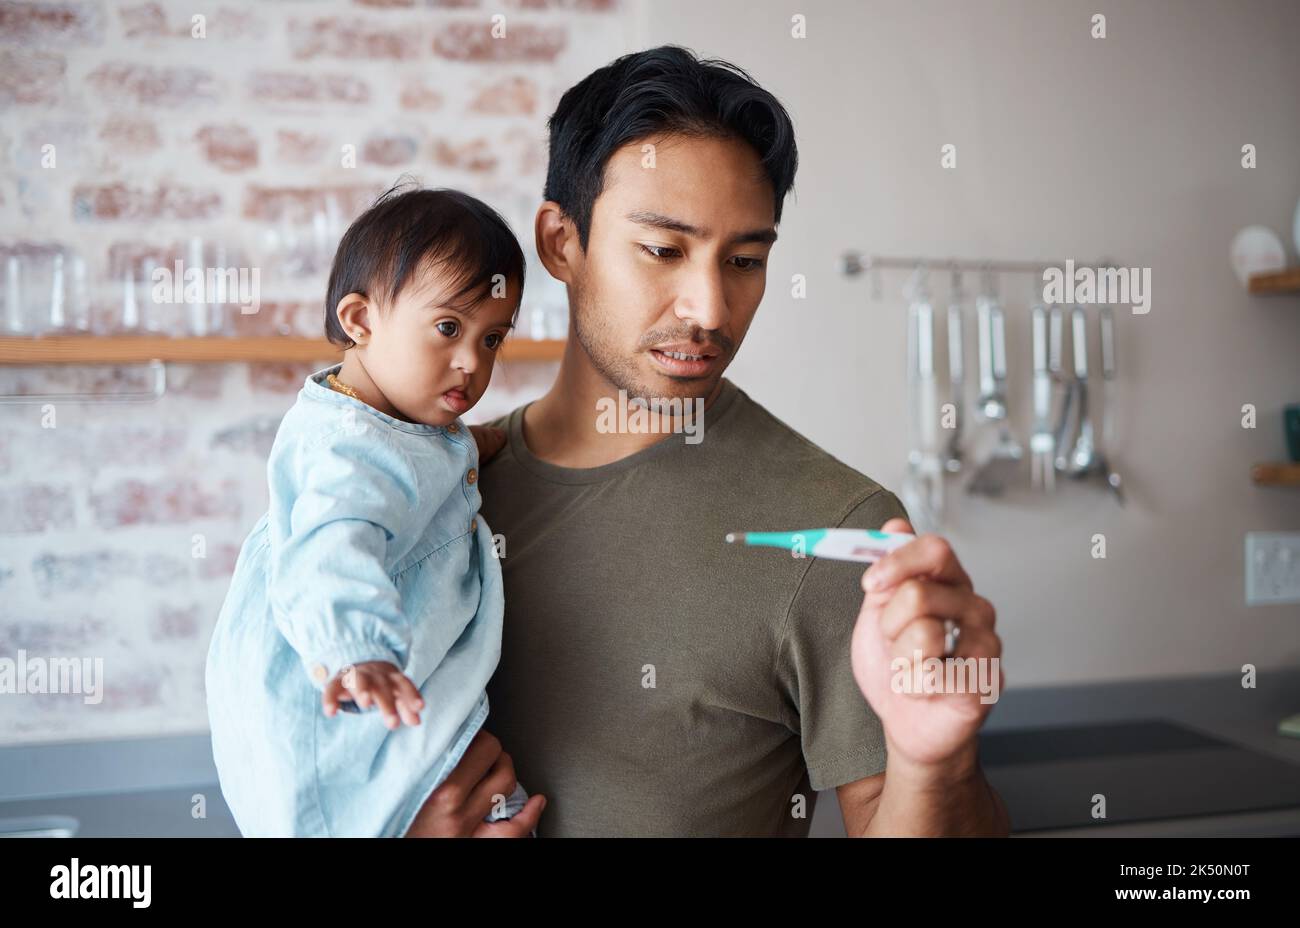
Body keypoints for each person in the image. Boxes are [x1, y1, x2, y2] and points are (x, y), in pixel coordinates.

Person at [406, 45, 1008, 837]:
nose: (712, 308)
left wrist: (937, 764)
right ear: (561, 242)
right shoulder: (429, 492)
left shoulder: (840, 531)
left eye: (746, 260)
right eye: (663, 250)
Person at [205, 185, 545, 837]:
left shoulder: (388, 423)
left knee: (491, 795)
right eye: (448, 327)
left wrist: (478, 444)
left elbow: (418, 462)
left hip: (370, 697)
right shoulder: (348, 450)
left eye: (493, 338)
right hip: (345, 692)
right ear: (360, 320)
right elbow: (332, 545)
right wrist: (355, 649)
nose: (472, 362)